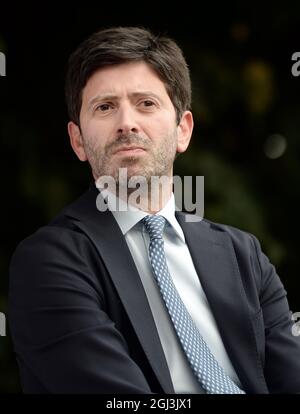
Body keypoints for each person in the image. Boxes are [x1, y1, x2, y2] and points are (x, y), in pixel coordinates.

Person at [8, 26, 300, 394]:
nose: (126, 123)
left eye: (146, 103)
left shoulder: (244, 256)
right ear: (77, 140)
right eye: (105, 107)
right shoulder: (49, 262)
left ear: (183, 130)